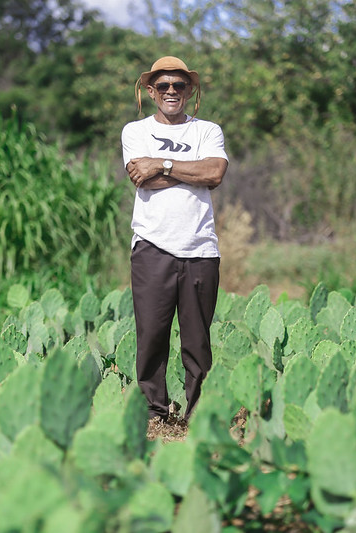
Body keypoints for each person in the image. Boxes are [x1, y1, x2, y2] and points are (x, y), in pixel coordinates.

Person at [121, 56, 229, 424]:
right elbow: (142, 178)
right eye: (163, 86)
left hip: (201, 247)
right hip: (152, 246)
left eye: (178, 86)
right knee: (151, 335)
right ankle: (154, 411)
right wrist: (189, 171)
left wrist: (162, 165)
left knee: (197, 341)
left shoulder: (208, 131)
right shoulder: (134, 132)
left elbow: (214, 172)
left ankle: (199, 412)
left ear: (189, 91)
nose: (171, 92)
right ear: (151, 91)